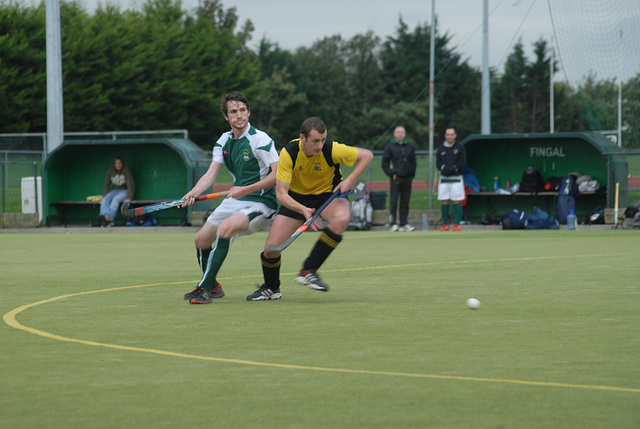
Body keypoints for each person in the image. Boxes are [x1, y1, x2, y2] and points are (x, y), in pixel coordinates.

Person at [248, 117, 374, 301]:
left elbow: (367, 155)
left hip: (326, 195)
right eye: (315, 141)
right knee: (271, 250)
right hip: (296, 198)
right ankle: (272, 288)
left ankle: (308, 270)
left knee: (342, 218)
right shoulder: (289, 153)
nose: (320, 146)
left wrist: (350, 179)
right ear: (303, 138)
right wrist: (304, 210)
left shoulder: (331, 149)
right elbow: (281, 194)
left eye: (323, 140)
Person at [181, 91, 279, 304]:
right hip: (235, 200)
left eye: (243, 110)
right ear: (226, 116)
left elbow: (278, 175)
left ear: (249, 112)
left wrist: (245, 189)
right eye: (233, 112)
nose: (239, 115)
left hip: (262, 203)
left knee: (224, 229)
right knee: (201, 240)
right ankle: (214, 285)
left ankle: (204, 288)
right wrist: (193, 193)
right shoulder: (224, 141)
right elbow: (210, 174)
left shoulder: (260, 139)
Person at [382, 125, 417, 231]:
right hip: (396, 178)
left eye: (402, 132)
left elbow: (413, 161)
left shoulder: (409, 146)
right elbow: (385, 163)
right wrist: (391, 174)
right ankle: (393, 223)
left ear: (405, 134)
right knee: (394, 201)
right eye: (398, 132)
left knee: (405, 201)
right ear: (394, 134)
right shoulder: (390, 147)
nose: (400, 134)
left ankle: (404, 223)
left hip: (407, 178)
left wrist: (412, 174)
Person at [436, 127, 467, 231]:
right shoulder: (441, 149)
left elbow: (462, 162)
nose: (450, 136)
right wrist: (445, 169)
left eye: (452, 134)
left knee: (456, 201)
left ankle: (457, 224)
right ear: (445, 136)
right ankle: (445, 224)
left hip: (457, 178)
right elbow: (438, 163)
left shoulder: (460, 147)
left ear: (455, 135)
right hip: (444, 179)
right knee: (445, 201)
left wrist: (454, 169)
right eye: (448, 135)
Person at [98, 156, 135, 227]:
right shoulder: (110, 171)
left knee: (115, 200)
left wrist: (130, 197)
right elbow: (106, 185)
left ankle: (108, 219)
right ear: (114, 164)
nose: (118, 165)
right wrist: (104, 196)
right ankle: (104, 217)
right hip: (114, 191)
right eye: (116, 163)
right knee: (105, 199)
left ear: (122, 164)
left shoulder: (126, 170)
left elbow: (131, 184)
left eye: (120, 163)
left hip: (124, 191)